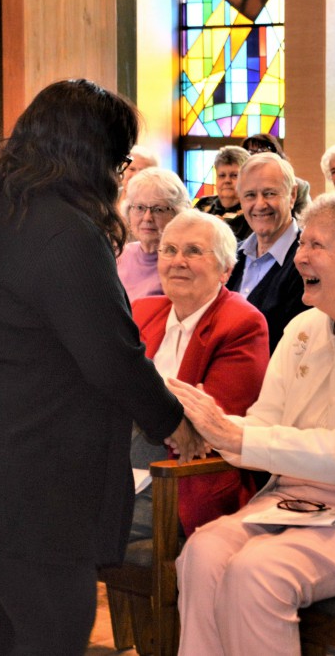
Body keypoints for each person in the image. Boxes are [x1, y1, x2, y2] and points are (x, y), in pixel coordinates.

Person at [0, 79, 202, 656]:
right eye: (118, 157)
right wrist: (173, 422)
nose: (119, 172)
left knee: (7, 626)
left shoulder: (6, 206)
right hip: (24, 465)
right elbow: (109, 353)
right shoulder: (64, 230)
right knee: (55, 625)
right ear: (90, 152)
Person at [167, 192, 335, 656]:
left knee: (258, 570)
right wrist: (211, 428)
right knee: (203, 551)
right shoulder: (302, 329)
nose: (300, 256)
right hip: (293, 500)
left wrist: (238, 435)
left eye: (317, 245)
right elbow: (263, 424)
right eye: (303, 244)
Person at [130, 211, 269, 541]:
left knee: (72, 523)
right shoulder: (142, 311)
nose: (178, 261)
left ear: (226, 269)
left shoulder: (241, 323)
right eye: (169, 250)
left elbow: (208, 428)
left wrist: (136, 397)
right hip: (124, 470)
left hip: (183, 481)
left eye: (193, 251)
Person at [226, 152, 308, 352]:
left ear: (292, 195)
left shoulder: (308, 262)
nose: (260, 205)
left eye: (270, 193)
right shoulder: (230, 256)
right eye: (250, 195)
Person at [117, 167, 190, 302]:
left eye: (158, 209)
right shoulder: (119, 255)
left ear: (177, 214)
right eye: (139, 207)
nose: (147, 218)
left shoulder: (183, 264)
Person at [241, 133, 311, 217]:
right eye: (251, 152)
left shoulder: (299, 186)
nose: (257, 155)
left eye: (263, 150)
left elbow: (305, 221)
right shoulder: (240, 186)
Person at [194, 145, 253, 240]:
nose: (227, 180)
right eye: (222, 175)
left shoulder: (253, 211)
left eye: (234, 175)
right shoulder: (203, 204)